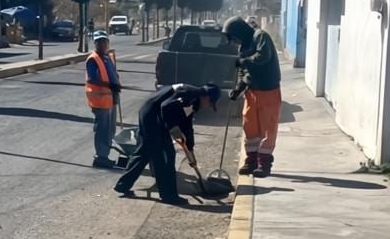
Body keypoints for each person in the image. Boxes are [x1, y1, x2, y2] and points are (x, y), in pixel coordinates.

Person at [114, 83, 220, 205]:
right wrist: (173, 128)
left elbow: (187, 124)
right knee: (165, 156)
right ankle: (168, 195)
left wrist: (190, 146)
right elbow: (165, 106)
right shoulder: (189, 94)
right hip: (153, 117)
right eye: (210, 104)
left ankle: (122, 185)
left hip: (150, 114)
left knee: (144, 152)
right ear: (206, 97)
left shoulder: (194, 99)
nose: (208, 107)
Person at [223, 16, 282, 178]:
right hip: (252, 91)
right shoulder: (243, 46)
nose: (234, 41)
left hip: (268, 90)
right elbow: (244, 73)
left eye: (233, 37)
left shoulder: (260, 36)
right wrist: (238, 89)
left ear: (239, 31)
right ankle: (252, 161)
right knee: (250, 127)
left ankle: (264, 163)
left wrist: (245, 61)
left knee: (268, 127)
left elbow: (263, 56)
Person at [86, 31, 120, 169]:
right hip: (100, 101)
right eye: (99, 42)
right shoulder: (93, 59)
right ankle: (100, 157)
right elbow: (92, 79)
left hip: (110, 98)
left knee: (110, 130)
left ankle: (104, 156)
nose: (102, 44)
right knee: (102, 130)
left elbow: (112, 75)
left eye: (104, 41)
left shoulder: (107, 57)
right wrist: (110, 85)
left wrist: (116, 88)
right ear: (95, 43)